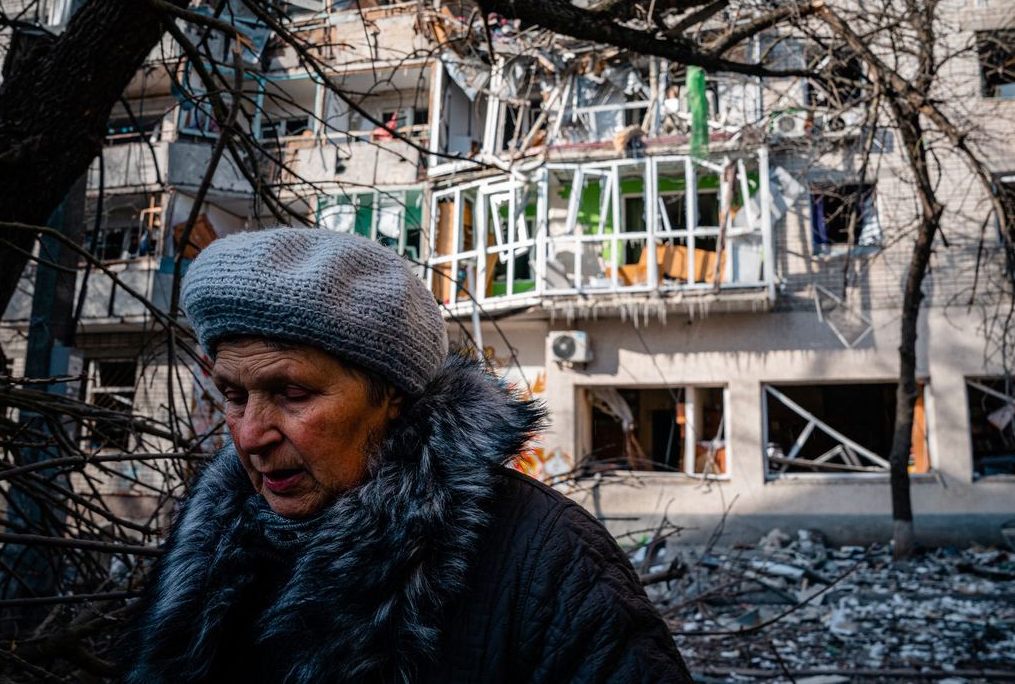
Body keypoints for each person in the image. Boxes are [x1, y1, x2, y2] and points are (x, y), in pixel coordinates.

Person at [127, 228, 692, 684]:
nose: (251, 436)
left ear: (394, 396)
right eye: (233, 396)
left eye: (293, 394)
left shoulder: (547, 559)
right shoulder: (211, 545)